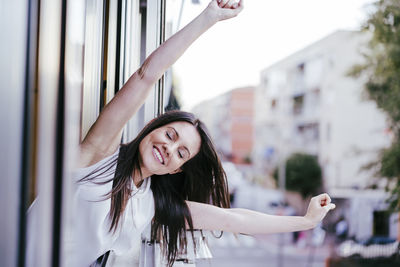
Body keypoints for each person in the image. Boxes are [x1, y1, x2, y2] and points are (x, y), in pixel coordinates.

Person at [27, 1, 335, 266]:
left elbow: (232, 219)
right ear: (154, 128)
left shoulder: (150, 204)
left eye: (181, 153)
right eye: (172, 135)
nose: (170, 149)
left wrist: (305, 221)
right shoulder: (100, 154)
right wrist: (209, 17)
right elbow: (146, 76)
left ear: (176, 168)